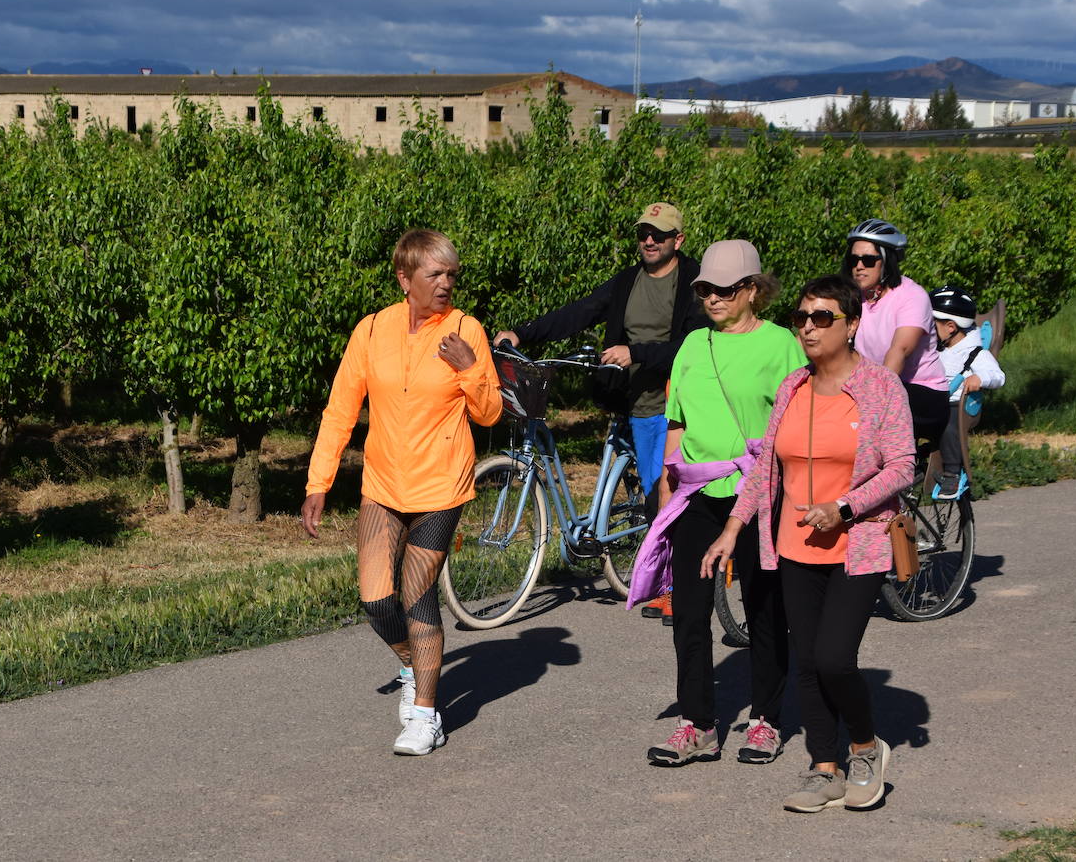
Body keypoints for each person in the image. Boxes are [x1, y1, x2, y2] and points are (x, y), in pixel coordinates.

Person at [702, 275, 916, 813]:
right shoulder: (793, 387)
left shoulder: (880, 387)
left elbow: (903, 466)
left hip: (858, 544)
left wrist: (844, 506)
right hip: (793, 546)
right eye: (802, 317)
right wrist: (733, 527)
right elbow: (765, 468)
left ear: (851, 324)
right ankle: (825, 766)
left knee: (834, 658)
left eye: (823, 318)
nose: (809, 327)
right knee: (807, 663)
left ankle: (866, 748)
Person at [301, 229, 502, 756]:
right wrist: (318, 482)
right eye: (434, 274)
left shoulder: (466, 330)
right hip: (384, 486)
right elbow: (341, 409)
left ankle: (426, 716)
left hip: (440, 486)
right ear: (404, 279)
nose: (446, 284)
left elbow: (489, 413)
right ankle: (416, 664)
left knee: (417, 595)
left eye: (451, 274)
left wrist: (471, 369)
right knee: (375, 599)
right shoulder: (371, 331)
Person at [644, 240, 805, 768]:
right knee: (689, 612)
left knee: (764, 607)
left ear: (753, 291)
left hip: (758, 488)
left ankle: (766, 720)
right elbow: (678, 422)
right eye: (704, 289)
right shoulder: (693, 345)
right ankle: (699, 725)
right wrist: (667, 489)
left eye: (724, 289)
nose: (711, 298)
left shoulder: (783, 345)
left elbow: (798, 422)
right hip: (695, 492)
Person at [493, 202, 708, 506]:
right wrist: (522, 333)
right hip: (634, 399)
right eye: (643, 234)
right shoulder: (627, 281)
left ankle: (664, 552)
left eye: (658, 235)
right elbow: (581, 311)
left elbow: (692, 346)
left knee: (662, 495)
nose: (649, 241)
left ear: (679, 239)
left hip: (673, 403)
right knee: (652, 491)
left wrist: (636, 353)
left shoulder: (694, 284)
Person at [840, 218, 949, 456]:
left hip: (922, 391)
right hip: (874, 387)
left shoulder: (911, 296)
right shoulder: (854, 297)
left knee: (864, 415)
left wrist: (872, 398)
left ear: (887, 261)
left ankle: (892, 480)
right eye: (853, 259)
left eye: (868, 260)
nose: (859, 266)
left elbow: (899, 351)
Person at [930, 285, 1006, 498]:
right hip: (935, 400)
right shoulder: (939, 348)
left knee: (947, 421)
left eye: (932, 324)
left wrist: (979, 378)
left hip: (959, 406)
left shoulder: (975, 353)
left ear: (951, 327)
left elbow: (998, 376)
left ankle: (952, 473)